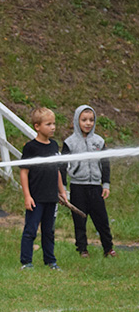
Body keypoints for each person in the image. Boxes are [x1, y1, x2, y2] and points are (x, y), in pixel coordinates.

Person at [60, 105, 116, 258]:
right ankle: (82, 249)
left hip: (96, 187)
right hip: (78, 187)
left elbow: (105, 163)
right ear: (76, 120)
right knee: (79, 221)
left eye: (91, 120)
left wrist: (106, 184)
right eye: (84, 120)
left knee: (102, 220)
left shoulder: (99, 141)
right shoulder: (69, 142)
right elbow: (62, 166)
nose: (88, 123)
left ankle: (108, 248)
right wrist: (63, 188)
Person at [19, 107, 68, 270]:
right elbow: (24, 172)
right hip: (36, 198)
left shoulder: (54, 145)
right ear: (37, 126)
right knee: (31, 230)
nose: (53, 127)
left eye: (54, 124)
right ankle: (26, 262)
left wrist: (62, 192)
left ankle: (50, 261)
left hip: (51, 197)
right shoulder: (30, 147)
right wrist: (27, 196)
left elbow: (57, 172)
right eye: (48, 124)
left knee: (49, 231)